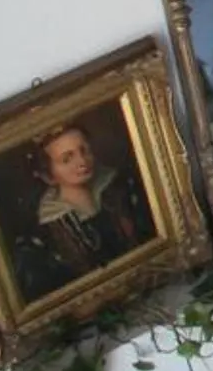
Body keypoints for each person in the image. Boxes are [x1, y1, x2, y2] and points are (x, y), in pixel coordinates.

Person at [8, 122, 151, 303]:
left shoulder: (122, 188)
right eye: (67, 159)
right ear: (48, 174)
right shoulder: (45, 232)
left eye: (84, 151)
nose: (82, 162)